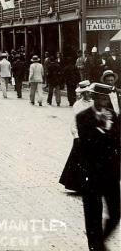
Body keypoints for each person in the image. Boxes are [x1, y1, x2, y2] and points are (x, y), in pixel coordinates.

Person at [76, 83, 120, 251]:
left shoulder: (112, 116)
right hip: (92, 172)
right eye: (101, 97)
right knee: (93, 215)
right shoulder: (83, 117)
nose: (104, 100)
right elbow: (88, 145)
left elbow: (117, 142)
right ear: (94, 97)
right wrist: (103, 128)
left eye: (106, 97)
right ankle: (95, 247)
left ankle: (99, 243)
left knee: (115, 213)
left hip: (111, 172)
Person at [59, 80, 93, 192]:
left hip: (93, 136)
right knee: (79, 161)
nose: (89, 94)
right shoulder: (78, 105)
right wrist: (76, 135)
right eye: (86, 92)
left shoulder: (94, 102)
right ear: (82, 94)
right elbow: (75, 121)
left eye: (89, 92)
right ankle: (78, 185)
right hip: (82, 135)